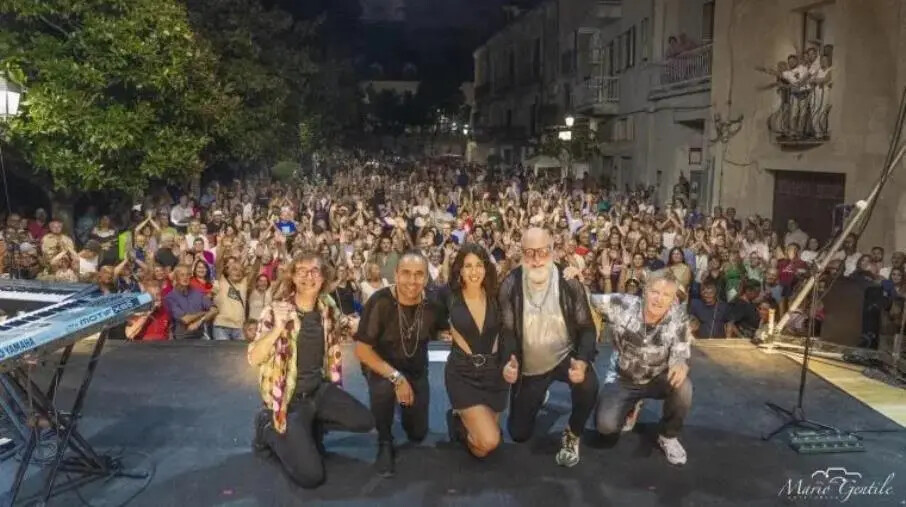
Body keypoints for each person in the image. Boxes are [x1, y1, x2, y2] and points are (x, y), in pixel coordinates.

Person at [248, 254, 373, 489]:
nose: (308, 276)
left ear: (323, 277)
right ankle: (266, 427)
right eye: (301, 271)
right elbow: (254, 357)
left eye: (315, 270)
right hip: (288, 400)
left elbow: (347, 326)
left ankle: (311, 426)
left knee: (365, 421)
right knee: (311, 476)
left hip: (319, 391)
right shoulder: (276, 311)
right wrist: (276, 329)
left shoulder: (327, 308)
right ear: (292, 277)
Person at [498, 227, 599, 467]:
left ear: (553, 252)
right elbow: (508, 332)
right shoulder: (509, 285)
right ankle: (539, 392)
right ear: (521, 253)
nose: (535, 259)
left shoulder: (569, 282)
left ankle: (572, 433)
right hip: (531, 365)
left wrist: (583, 362)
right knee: (519, 434)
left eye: (542, 252)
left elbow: (586, 328)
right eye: (529, 253)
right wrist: (509, 361)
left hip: (566, 357)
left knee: (588, 385)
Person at [354, 251, 449, 476]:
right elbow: (361, 349)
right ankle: (384, 440)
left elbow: (442, 329)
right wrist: (397, 378)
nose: (412, 280)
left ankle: (405, 407)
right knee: (384, 390)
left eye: (419, 274)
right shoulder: (380, 301)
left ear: (426, 278)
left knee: (417, 434)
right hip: (381, 366)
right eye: (406, 273)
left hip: (415, 369)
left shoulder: (433, 304)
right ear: (396, 274)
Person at [592, 269, 692, 466]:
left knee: (684, 388)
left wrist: (680, 363)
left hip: (657, 377)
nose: (659, 299)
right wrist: (572, 276)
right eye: (655, 292)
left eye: (666, 295)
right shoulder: (622, 304)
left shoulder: (678, 317)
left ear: (673, 299)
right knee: (605, 427)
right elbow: (586, 299)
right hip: (623, 377)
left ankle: (668, 436)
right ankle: (632, 405)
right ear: (645, 290)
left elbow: (680, 352)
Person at [443, 243, 508, 458]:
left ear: (486, 268)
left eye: (479, 265)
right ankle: (461, 424)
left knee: (484, 447)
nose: (474, 271)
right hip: (463, 373)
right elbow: (421, 312)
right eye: (468, 266)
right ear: (459, 269)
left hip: (494, 374)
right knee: (489, 442)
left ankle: (460, 422)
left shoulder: (497, 296)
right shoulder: (448, 296)